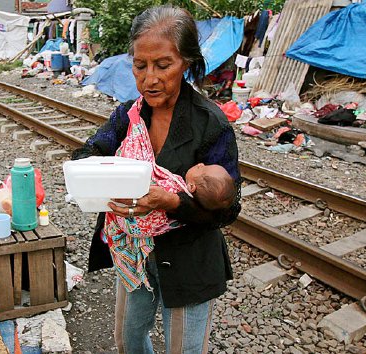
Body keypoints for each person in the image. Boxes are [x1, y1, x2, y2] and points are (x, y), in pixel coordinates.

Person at [71, 5, 241, 354]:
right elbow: (89, 152)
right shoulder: (129, 115)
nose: (149, 78)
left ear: (188, 64)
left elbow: (227, 209)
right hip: (134, 254)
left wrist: (171, 201)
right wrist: (91, 175)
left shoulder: (211, 125)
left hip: (189, 259)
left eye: (163, 66)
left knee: (184, 350)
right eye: (140, 65)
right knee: (128, 340)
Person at [105, 162, 235, 292]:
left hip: (189, 264)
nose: (200, 164)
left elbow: (227, 213)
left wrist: (171, 202)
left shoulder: (175, 185)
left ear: (191, 187)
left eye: (202, 168)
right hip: (144, 255)